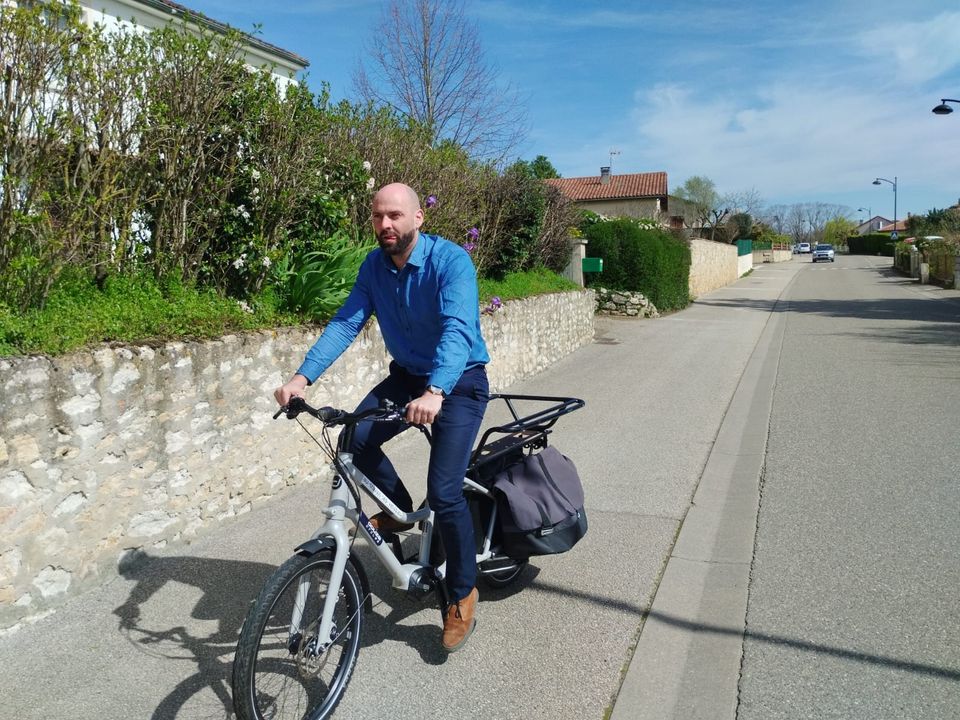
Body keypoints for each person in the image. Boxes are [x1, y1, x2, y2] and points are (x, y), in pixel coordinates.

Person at [274, 182, 490, 653]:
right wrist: (300, 379)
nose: (385, 225)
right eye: (378, 216)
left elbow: (457, 329)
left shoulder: (451, 261)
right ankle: (398, 512)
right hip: (408, 378)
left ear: (418, 218)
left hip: (460, 382)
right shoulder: (374, 266)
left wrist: (436, 390)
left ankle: (461, 593)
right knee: (355, 439)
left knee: (446, 491)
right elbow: (346, 322)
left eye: (395, 215)